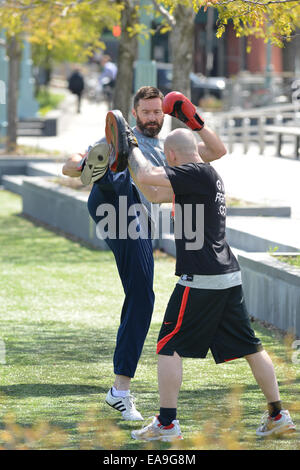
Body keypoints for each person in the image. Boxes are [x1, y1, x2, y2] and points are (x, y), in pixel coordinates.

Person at [104, 91, 296, 441]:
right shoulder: (203, 174)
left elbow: (147, 175)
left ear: (173, 154)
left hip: (203, 278)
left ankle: (166, 424)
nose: (165, 161)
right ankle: (278, 415)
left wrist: (129, 144)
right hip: (226, 275)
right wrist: (194, 123)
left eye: (167, 156)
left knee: (167, 346)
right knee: (251, 346)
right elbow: (152, 191)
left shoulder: (192, 174)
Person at [62, 86, 225, 421]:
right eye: (146, 112)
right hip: (120, 209)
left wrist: (192, 119)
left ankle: (119, 390)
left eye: (157, 112)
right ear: (134, 113)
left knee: (141, 296)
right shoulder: (119, 137)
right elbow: (68, 166)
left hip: (139, 215)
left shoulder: (174, 150)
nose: (153, 118)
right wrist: (80, 167)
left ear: (164, 114)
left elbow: (217, 151)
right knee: (115, 175)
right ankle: (108, 172)